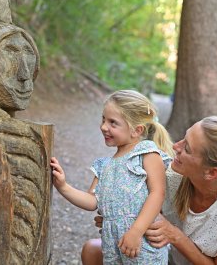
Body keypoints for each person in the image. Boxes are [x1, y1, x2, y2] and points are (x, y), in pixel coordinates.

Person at [81, 116, 217, 265]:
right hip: (166, 257)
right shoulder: (170, 177)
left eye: (186, 148)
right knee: (92, 251)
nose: (175, 147)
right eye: (183, 138)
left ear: (211, 172)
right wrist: (120, 217)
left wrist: (176, 236)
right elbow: (144, 210)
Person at [50, 90, 174, 264]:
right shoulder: (104, 165)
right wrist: (63, 186)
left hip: (143, 243)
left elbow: (157, 194)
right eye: (103, 119)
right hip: (112, 244)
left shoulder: (147, 154)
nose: (103, 127)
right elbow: (92, 201)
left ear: (136, 130)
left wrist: (136, 231)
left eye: (112, 123)